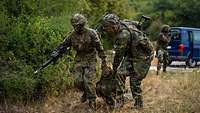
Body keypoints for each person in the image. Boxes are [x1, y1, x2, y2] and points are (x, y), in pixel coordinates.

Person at [97, 13, 154, 109]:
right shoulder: (124, 22)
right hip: (132, 54)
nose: (105, 30)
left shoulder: (123, 36)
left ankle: (138, 105)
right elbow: (135, 23)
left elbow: (119, 56)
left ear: (114, 26)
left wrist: (114, 69)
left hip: (143, 57)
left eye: (107, 27)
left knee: (134, 81)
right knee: (120, 73)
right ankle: (120, 100)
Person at [53, 13, 109, 111]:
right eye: (75, 25)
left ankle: (92, 104)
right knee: (77, 81)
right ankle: (87, 92)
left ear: (83, 24)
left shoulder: (92, 33)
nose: (77, 27)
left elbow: (99, 48)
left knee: (88, 81)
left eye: (79, 25)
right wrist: (56, 52)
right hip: (79, 59)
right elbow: (63, 44)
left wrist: (104, 61)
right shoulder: (72, 35)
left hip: (91, 58)